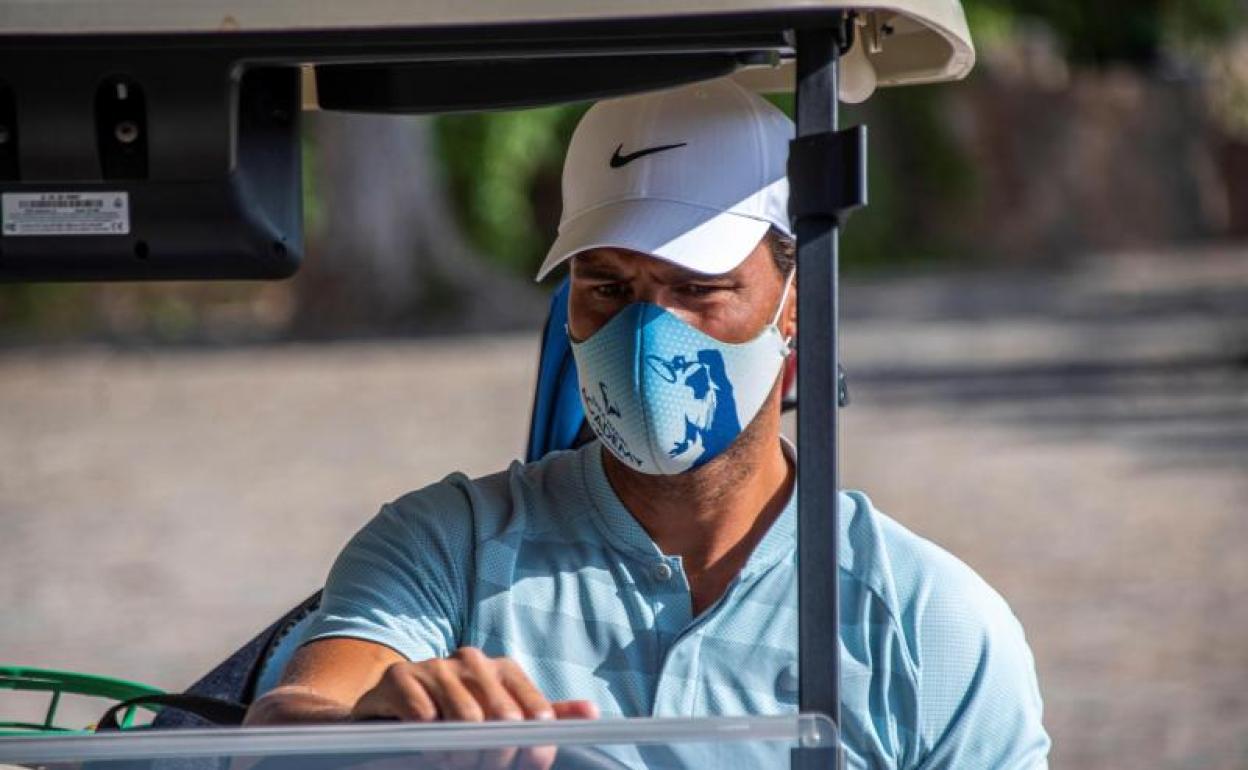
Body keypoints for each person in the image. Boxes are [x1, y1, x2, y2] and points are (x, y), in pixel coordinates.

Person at [246, 78, 1051, 769]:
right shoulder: (446, 545)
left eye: (697, 288)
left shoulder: (926, 623)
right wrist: (382, 720)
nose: (644, 332)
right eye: (607, 288)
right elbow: (286, 724)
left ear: (797, 305)